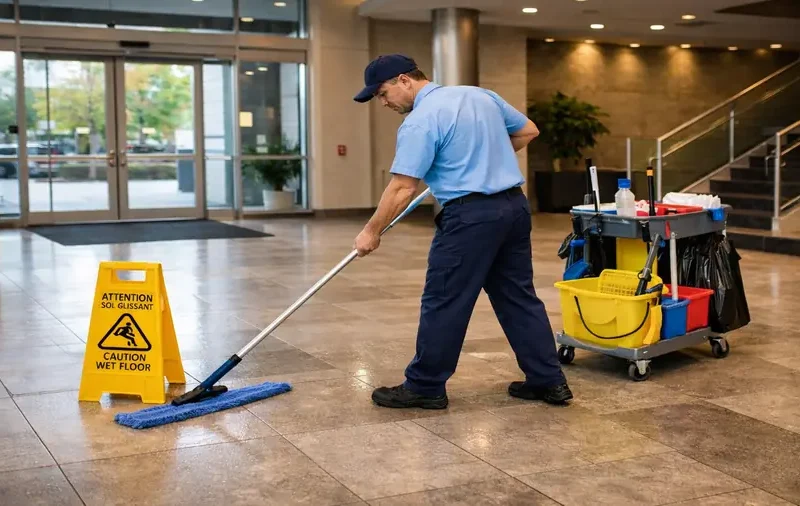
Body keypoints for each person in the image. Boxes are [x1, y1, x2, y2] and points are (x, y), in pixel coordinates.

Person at [352, 54, 572, 409]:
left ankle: (425, 386)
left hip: (470, 218)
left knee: (445, 300)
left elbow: (401, 188)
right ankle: (549, 381)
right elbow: (528, 130)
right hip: (513, 209)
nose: (384, 102)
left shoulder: (420, 121)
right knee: (518, 296)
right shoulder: (481, 96)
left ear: (405, 80)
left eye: (382, 93)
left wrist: (371, 231)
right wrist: (487, 155)